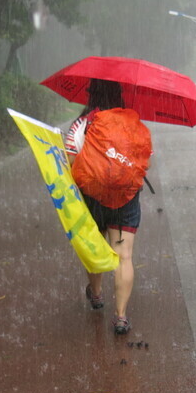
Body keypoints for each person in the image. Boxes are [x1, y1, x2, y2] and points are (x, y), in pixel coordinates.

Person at [64, 79, 148, 335]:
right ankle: (120, 316)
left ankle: (97, 294)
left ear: (91, 94)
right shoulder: (133, 123)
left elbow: (70, 159)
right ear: (120, 94)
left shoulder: (83, 123)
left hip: (92, 196)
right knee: (124, 257)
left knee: (95, 248)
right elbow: (145, 162)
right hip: (126, 198)